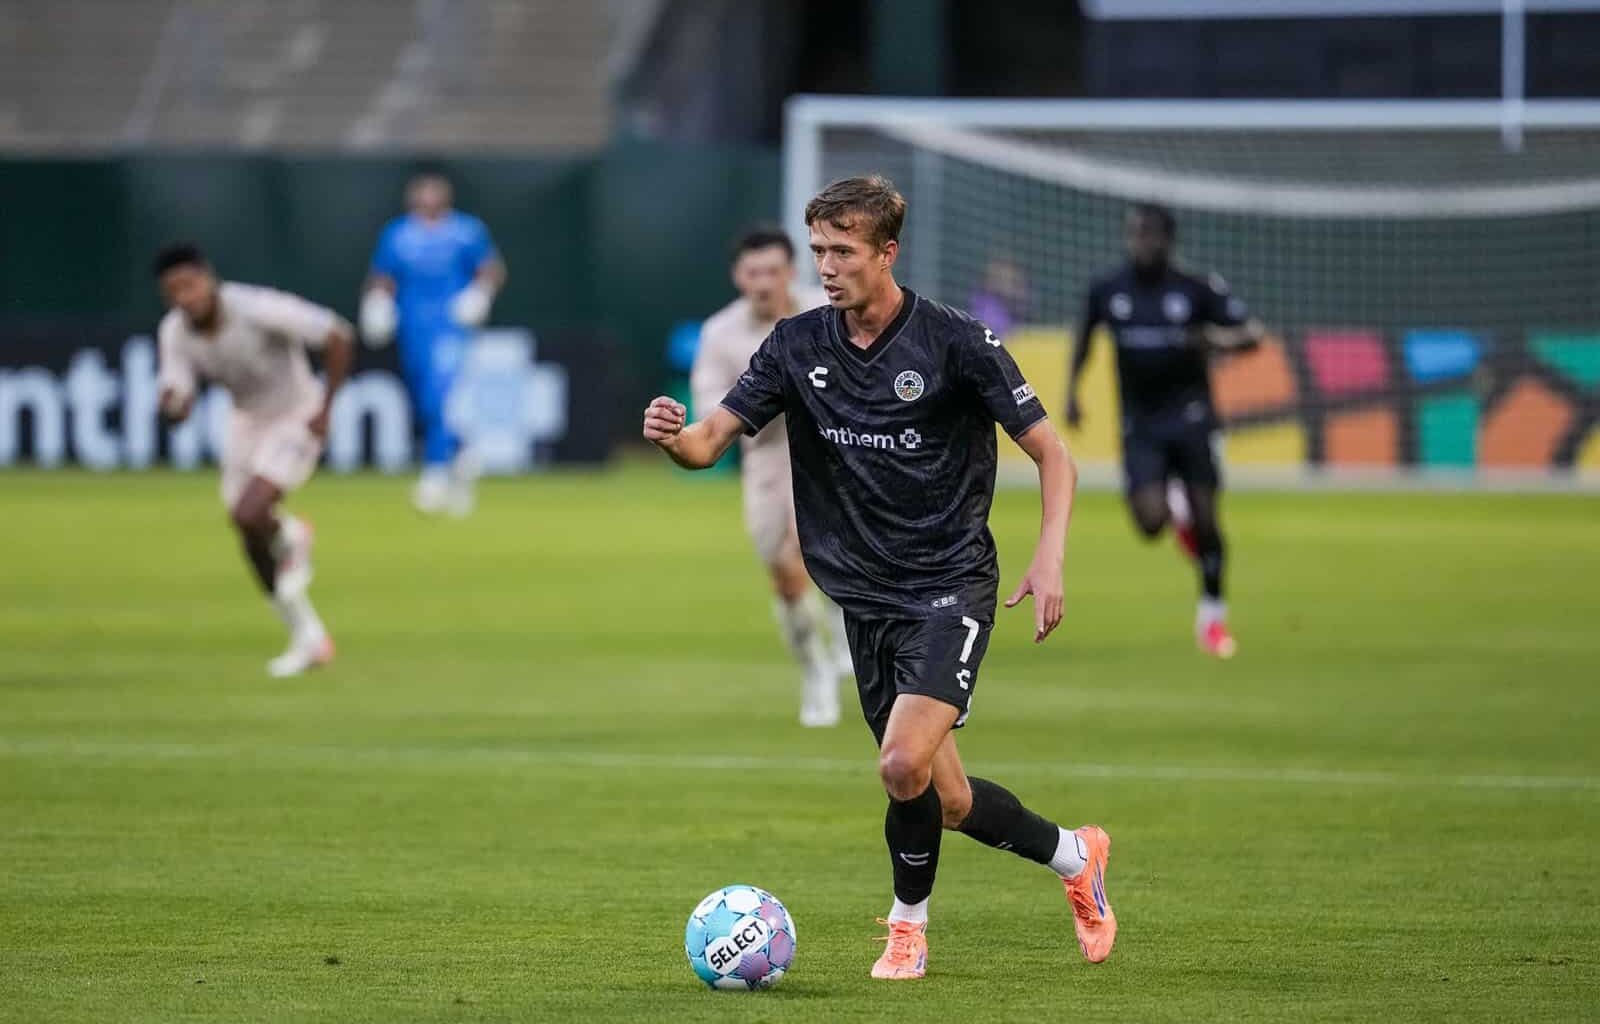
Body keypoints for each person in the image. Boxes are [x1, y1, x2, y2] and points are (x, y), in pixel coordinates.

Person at [643, 176, 1115, 980]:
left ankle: (906, 929)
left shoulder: (958, 341)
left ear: (887, 252)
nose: (825, 267)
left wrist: (1050, 555)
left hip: (950, 585)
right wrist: (672, 435)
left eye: (843, 251)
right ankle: (1076, 857)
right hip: (862, 597)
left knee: (900, 766)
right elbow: (709, 442)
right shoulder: (797, 346)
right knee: (949, 798)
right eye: (818, 250)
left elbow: (1053, 453)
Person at [1066, 203, 1267, 659]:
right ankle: (1175, 511)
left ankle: (1212, 618)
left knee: (1209, 520)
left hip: (1193, 417)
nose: (1141, 242)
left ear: (1168, 240)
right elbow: (1084, 336)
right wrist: (1073, 392)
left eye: (1149, 234)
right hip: (1141, 424)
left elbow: (1252, 332)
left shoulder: (1196, 289)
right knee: (1149, 522)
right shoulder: (1108, 289)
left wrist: (1214, 340)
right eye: (1135, 233)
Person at [153, 243, 354, 677]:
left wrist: (327, 407)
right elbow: (178, 395)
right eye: (174, 291)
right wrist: (174, 406)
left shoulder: (258, 307)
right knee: (248, 532)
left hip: (297, 413)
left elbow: (337, 335)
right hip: (246, 423)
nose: (185, 298)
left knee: (250, 511)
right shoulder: (174, 332)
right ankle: (307, 634)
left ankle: (291, 535)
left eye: (189, 285)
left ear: (208, 279)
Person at [691, 225, 852, 727]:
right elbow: (710, 409)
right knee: (783, 574)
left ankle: (845, 628)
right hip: (764, 458)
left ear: (790, 271)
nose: (763, 282)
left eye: (773, 271)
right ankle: (816, 669)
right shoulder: (721, 333)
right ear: (738, 276)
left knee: (830, 557)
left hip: (832, 454)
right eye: (752, 272)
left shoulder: (825, 316)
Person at [360, 172, 506, 517]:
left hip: (451, 327)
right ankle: (461, 451)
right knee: (424, 399)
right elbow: (382, 276)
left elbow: (491, 268)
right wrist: (377, 302)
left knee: (441, 393)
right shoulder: (398, 234)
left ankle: (436, 472)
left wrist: (479, 294)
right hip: (413, 328)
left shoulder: (466, 230)